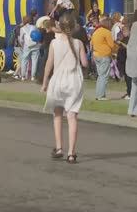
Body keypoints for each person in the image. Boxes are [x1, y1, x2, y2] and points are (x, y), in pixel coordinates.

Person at [41, 13, 88, 164]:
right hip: (74, 80)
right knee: (72, 116)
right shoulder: (79, 43)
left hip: (58, 80)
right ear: (74, 27)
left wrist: (45, 82)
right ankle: (71, 153)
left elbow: (49, 63)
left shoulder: (54, 43)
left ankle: (59, 147)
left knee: (57, 114)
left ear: (59, 26)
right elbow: (85, 63)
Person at [91, 17, 117, 100]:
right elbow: (112, 45)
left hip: (96, 55)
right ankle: (101, 95)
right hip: (104, 56)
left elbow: (92, 43)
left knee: (100, 76)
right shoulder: (107, 32)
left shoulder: (96, 31)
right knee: (104, 76)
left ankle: (98, 94)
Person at [19, 16, 39, 81]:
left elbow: (21, 40)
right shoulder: (34, 27)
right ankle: (33, 76)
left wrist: (22, 45)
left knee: (24, 60)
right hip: (35, 45)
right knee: (34, 61)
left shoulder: (22, 29)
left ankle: (23, 76)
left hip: (27, 46)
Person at [116, 25, 131, 99]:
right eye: (123, 31)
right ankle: (128, 91)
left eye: (125, 31)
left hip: (127, 59)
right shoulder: (124, 38)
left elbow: (129, 47)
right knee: (126, 77)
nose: (124, 33)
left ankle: (130, 93)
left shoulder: (130, 39)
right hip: (122, 59)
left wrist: (121, 43)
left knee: (129, 77)